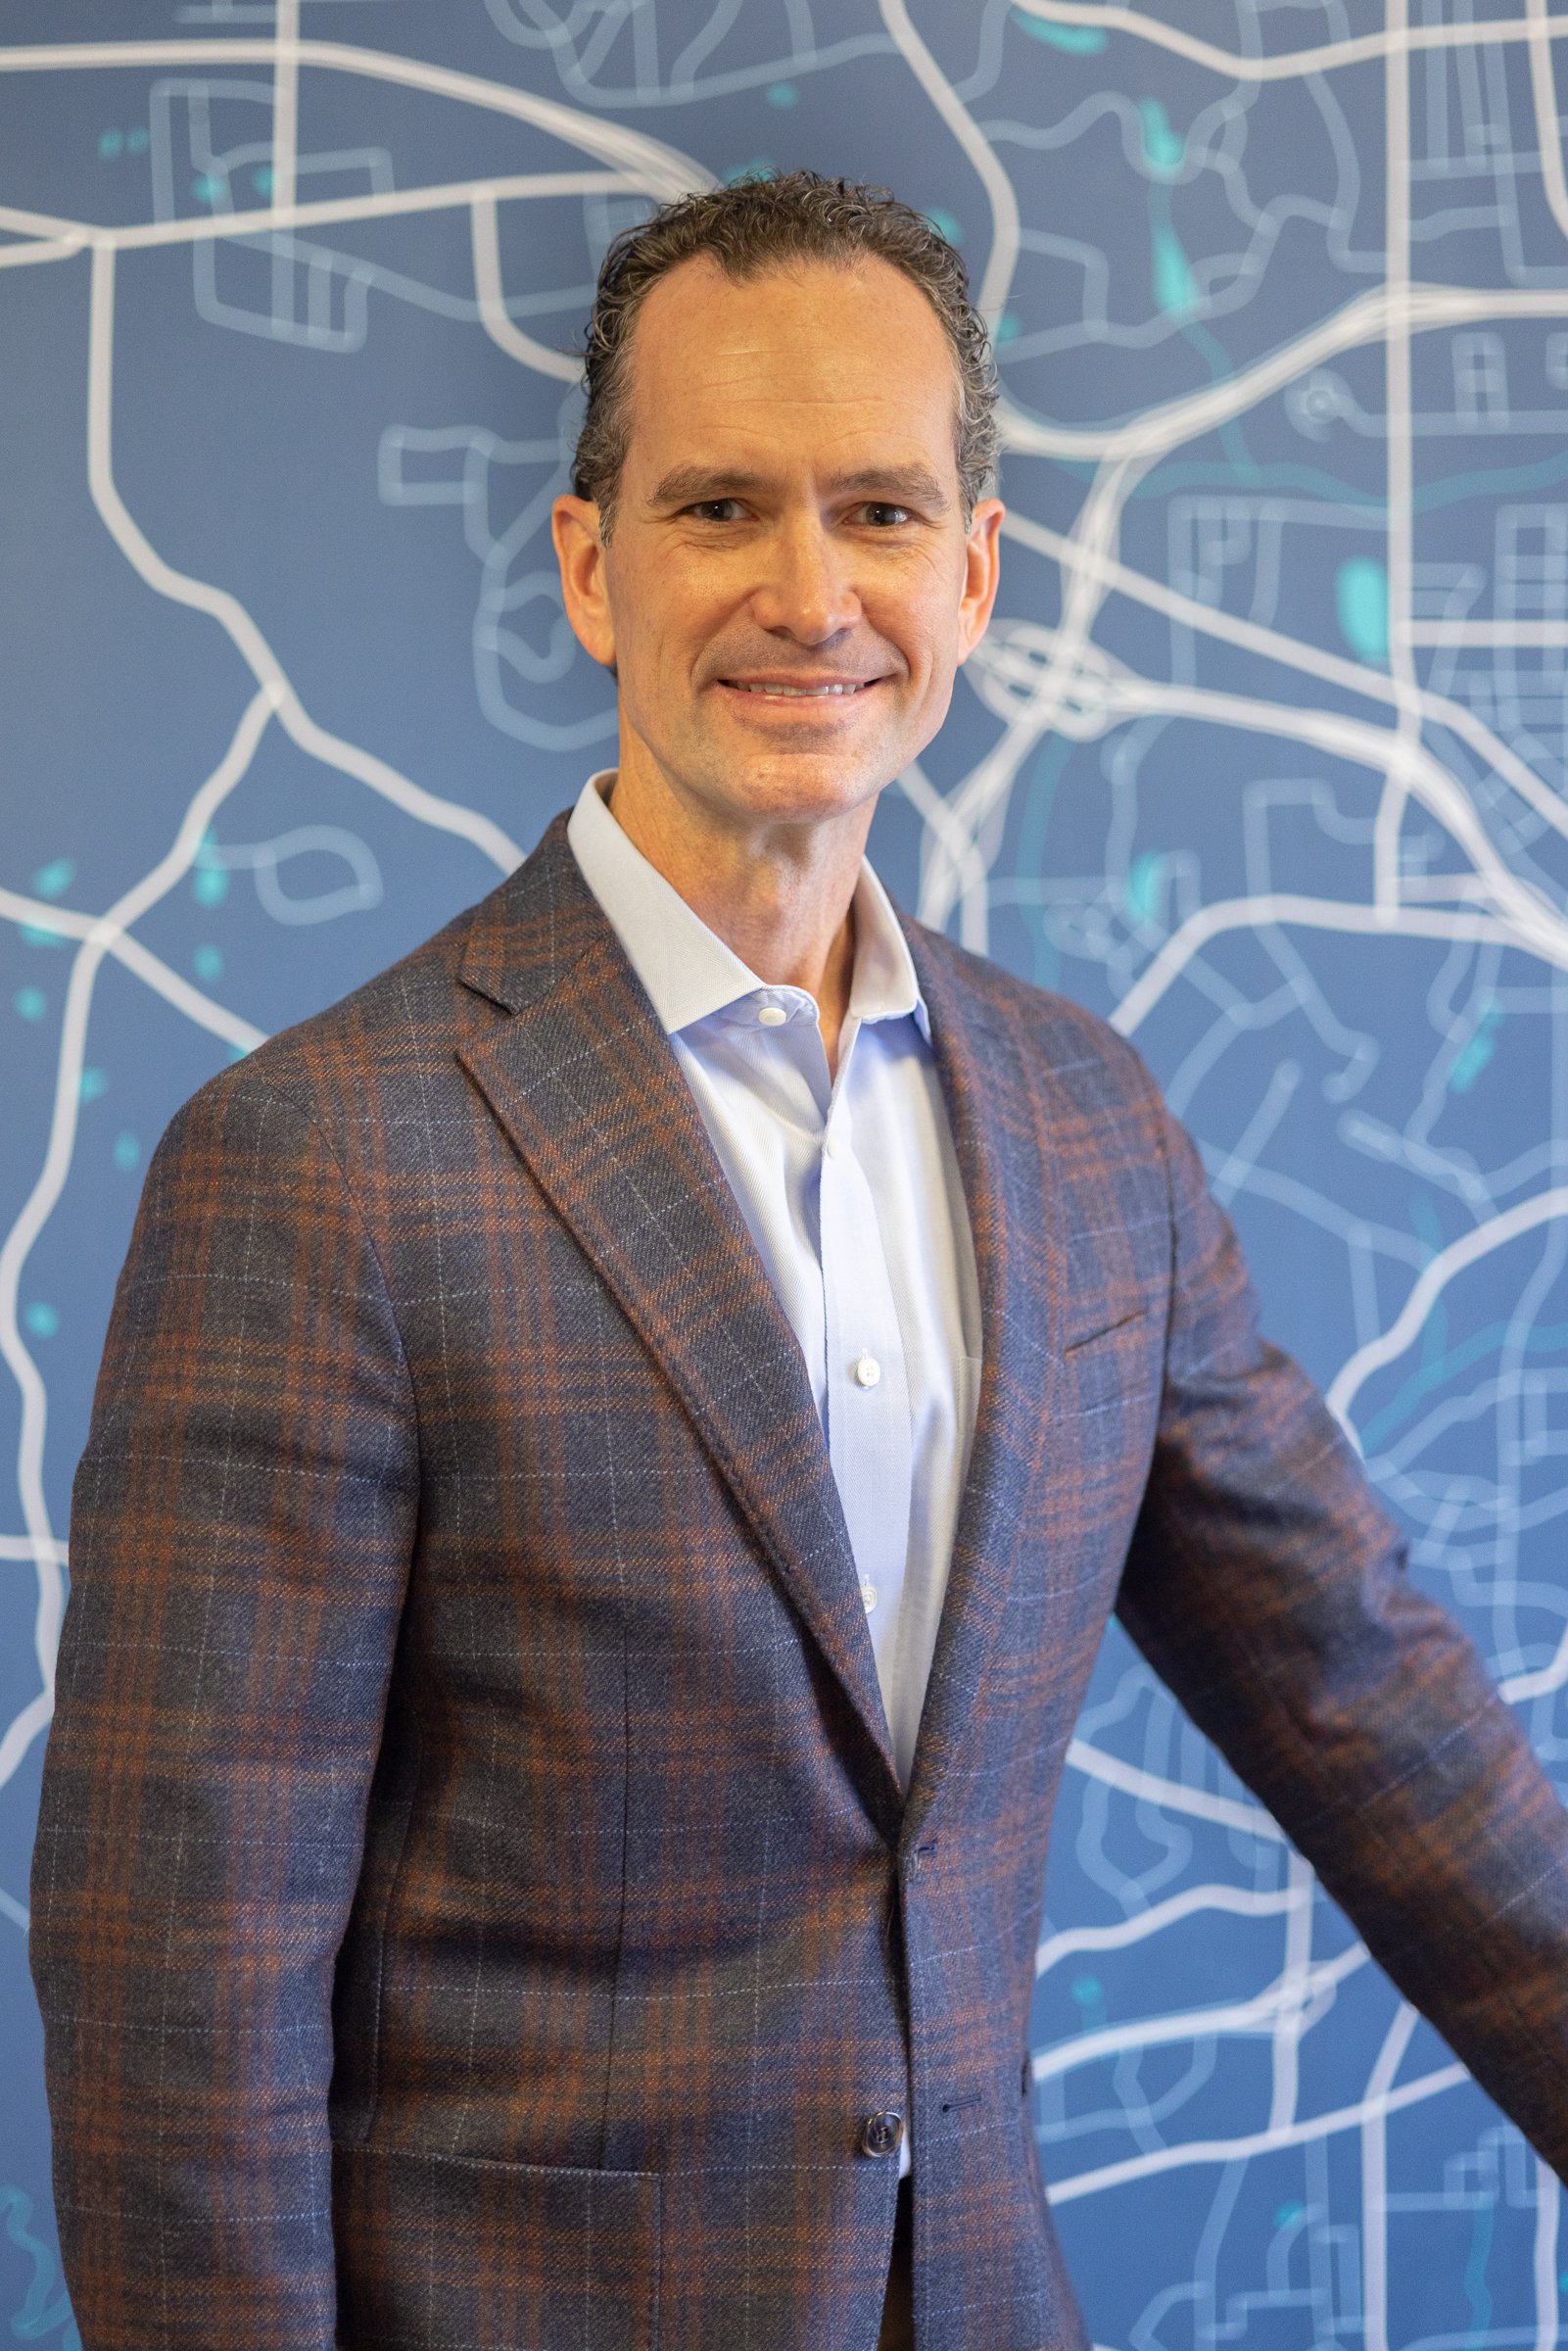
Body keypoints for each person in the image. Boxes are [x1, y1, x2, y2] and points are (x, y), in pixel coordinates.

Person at [29, 170, 1568, 2351]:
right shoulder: (320, 1162)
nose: (806, 590)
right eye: (719, 507)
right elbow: (176, 1976)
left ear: (975, 572)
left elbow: (1371, 1697)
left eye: (877, 509)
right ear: (588, 567)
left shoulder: (1089, 1129)